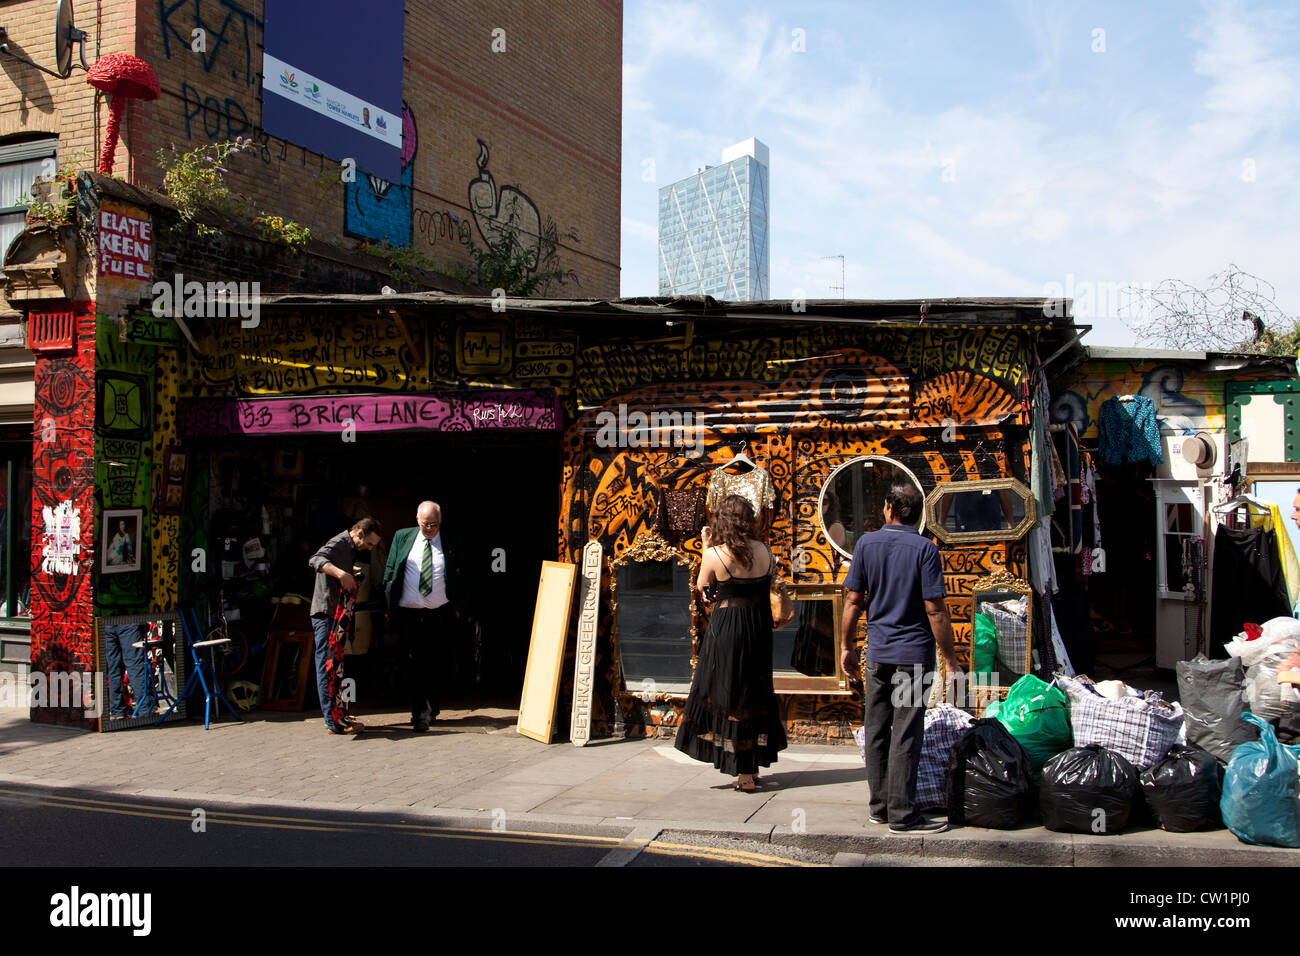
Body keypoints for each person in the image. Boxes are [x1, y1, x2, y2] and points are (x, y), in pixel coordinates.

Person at [840, 482, 960, 833]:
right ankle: (902, 814)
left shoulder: (866, 544)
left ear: (889, 508)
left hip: (877, 655)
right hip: (912, 659)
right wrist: (950, 660)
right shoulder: (925, 549)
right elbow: (935, 611)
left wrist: (846, 646)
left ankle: (879, 808)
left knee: (877, 729)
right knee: (906, 732)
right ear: (918, 513)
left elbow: (852, 601)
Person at [673, 494, 787, 790]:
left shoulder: (715, 554)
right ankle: (751, 765)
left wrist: (705, 546)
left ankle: (745, 773)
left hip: (728, 629)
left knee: (729, 693)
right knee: (753, 692)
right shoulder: (765, 550)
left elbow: (703, 589)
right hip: (758, 627)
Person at [383, 501, 464, 732]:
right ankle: (419, 713)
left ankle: (431, 707)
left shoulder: (451, 541)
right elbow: (390, 569)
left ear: (441, 522)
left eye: (434, 524)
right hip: (409, 611)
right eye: (425, 524)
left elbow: (465, 575)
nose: (429, 528)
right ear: (417, 520)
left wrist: (459, 607)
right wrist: (388, 603)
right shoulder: (403, 537)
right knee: (413, 662)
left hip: (439, 611)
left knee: (436, 662)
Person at [308, 517, 382, 735]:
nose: (368, 548)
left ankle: (337, 713)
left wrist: (350, 570)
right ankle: (332, 720)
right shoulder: (339, 542)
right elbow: (316, 559)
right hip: (325, 611)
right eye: (368, 543)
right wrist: (341, 574)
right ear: (358, 533)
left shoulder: (349, 549)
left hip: (336, 612)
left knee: (336, 665)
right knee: (326, 664)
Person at [103, 621, 157, 719]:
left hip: (108, 623)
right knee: (135, 666)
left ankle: (117, 711)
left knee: (114, 669)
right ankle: (146, 708)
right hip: (127, 622)